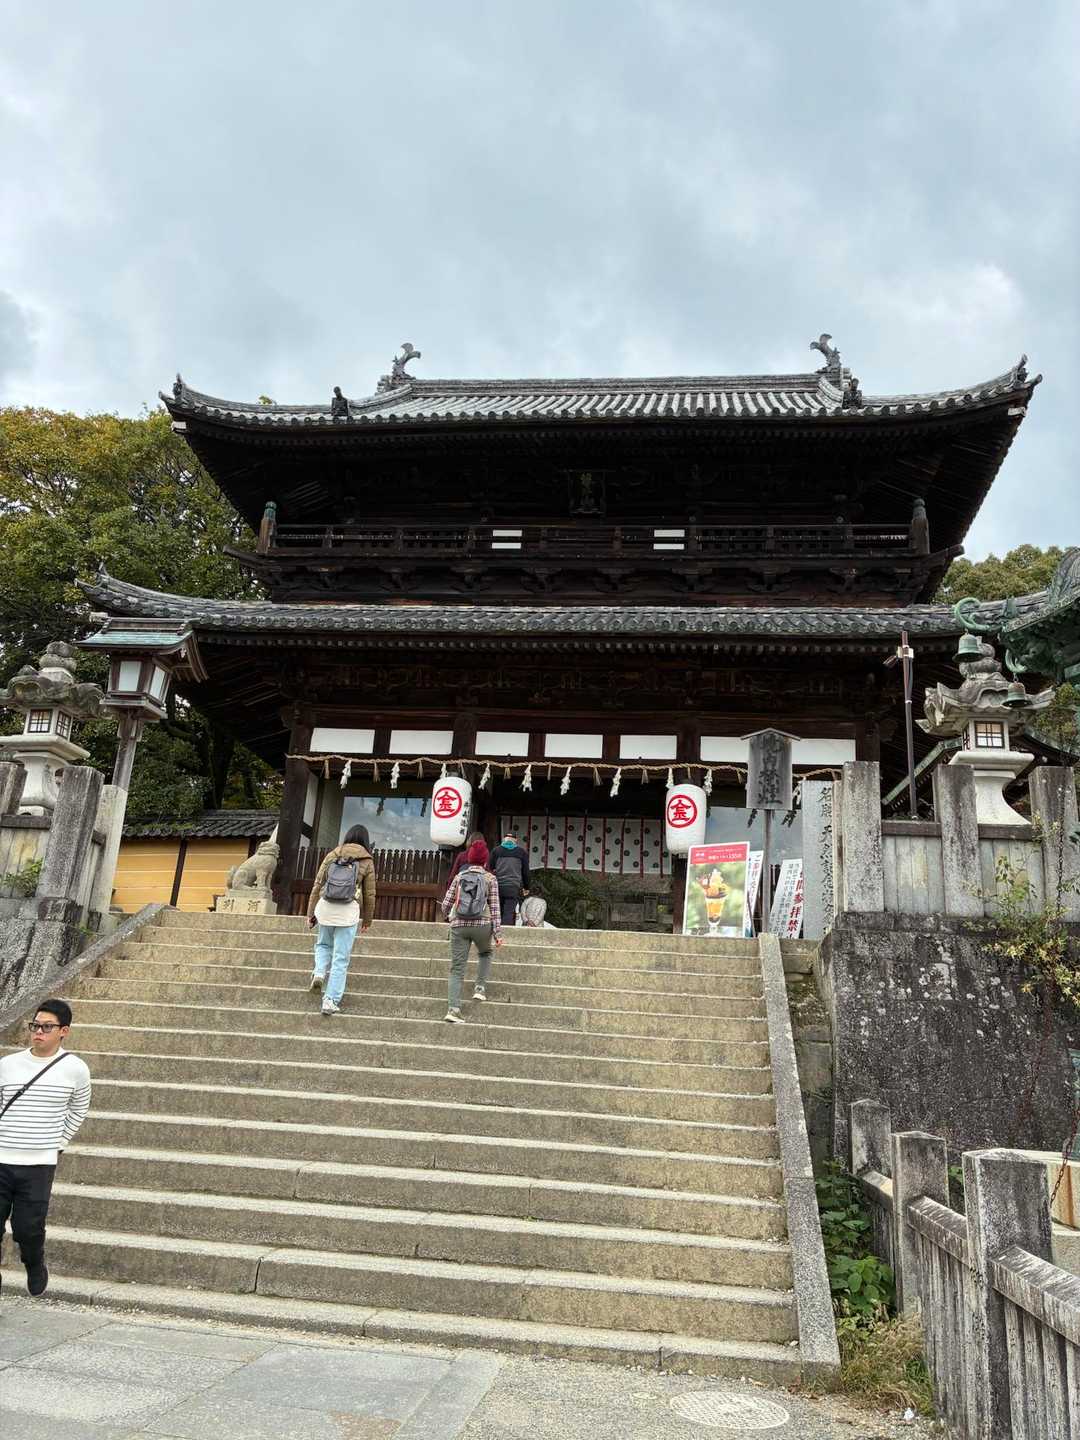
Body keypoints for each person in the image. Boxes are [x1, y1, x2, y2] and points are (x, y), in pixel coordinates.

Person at [0, 998, 91, 1298]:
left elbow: (79, 1108)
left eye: (47, 1027)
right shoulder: (7, 1065)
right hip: (1, 1158)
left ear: (64, 1031)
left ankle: (34, 1263)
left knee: (28, 1229)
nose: (38, 1031)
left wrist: (59, 1142)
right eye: (35, 1025)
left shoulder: (75, 1069)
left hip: (38, 1164)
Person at [307, 824, 376, 1016]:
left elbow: (318, 884)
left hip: (326, 907)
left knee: (323, 945)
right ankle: (330, 1000)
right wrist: (367, 920)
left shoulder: (334, 854)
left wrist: (311, 912)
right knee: (340, 958)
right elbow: (370, 894)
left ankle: (319, 972)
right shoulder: (367, 860)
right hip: (348, 911)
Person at [440, 838, 502, 1023]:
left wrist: (449, 916)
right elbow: (495, 908)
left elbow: (445, 904)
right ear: (485, 860)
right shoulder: (490, 879)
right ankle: (480, 988)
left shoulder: (459, 877)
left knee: (457, 968)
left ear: (469, 858)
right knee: (485, 953)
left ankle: (453, 1010)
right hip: (482, 925)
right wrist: (498, 934)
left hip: (459, 925)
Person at [489, 830, 530, 928]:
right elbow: (525, 872)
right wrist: (526, 887)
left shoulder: (496, 851)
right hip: (513, 886)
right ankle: (505, 931)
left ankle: (495, 931)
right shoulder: (521, 852)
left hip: (498, 885)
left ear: (504, 839)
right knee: (509, 912)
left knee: (497, 911)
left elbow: (491, 867)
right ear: (515, 840)